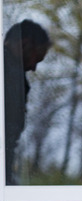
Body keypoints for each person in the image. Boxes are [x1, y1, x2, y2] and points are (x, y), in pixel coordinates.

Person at [4, 19, 50, 184]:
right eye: (35, 58)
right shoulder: (7, 76)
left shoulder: (15, 79)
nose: (33, 68)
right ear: (23, 45)